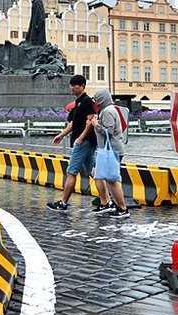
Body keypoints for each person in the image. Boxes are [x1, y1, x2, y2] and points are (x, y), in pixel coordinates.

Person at [47, 74, 98, 211]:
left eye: (75, 85)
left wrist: (80, 138)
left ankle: (63, 203)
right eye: (71, 85)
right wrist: (61, 135)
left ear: (82, 86)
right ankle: (107, 201)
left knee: (71, 172)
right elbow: (74, 123)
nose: (72, 88)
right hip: (85, 142)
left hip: (83, 142)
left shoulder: (87, 101)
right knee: (93, 172)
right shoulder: (78, 102)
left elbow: (91, 121)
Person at [89, 88, 130, 218]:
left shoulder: (107, 111)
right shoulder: (107, 110)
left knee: (112, 180)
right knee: (98, 175)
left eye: (97, 99)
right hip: (108, 150)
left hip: (111, 150)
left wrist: (96, 124)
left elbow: (108, 131)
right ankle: (106, 202)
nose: (95, 102)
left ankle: (123, 208)